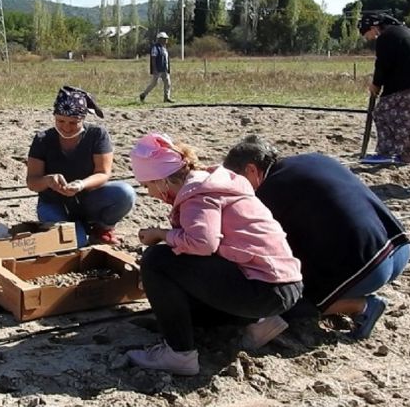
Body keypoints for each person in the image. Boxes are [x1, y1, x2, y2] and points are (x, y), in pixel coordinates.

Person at [126, 133, 303, 375]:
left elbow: (202, 243)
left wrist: (161, 235)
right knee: (182, 270)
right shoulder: (216, 182)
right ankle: (258, 323)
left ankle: (179, 354)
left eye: (148, 186)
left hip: (263, 289)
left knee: (157, 260)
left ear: (162, 181)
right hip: (282, 282)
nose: (150, 194)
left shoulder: (197, 194)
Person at [224, 135, 410, 340]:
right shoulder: (314, 159)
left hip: (368, 268)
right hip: (399, 246)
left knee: (289, 300)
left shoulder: (268, 192)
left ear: (251, 170)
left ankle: (363, 305)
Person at [26, 86, 135, 247]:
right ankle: (77, 229)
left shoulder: (97, 135)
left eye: (73, 122)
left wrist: (81, 184)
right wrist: (48, 181)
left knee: (125, 193)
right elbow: (32, 182)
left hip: (88, 198)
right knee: (77, 243)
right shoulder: (43, 139)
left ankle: (102, 228)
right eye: (60, 121)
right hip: (54, 202)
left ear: (83, 119)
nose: (66, 127)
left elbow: (103, 173)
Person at [358, 13, 410, 164]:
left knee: (383, 113)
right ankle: (407, 154)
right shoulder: (406, 31)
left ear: (373, 28)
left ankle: (386, 152)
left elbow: (383, 64)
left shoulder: (386, 37)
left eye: (367, 33)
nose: (369, 38)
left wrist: (376, 83)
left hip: (407, 83)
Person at [139, 32, 173, 103]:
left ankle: (167, 98)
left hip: (164, 69)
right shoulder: (155, 47)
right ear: (160, 39)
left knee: (168, 83)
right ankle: (143, 94)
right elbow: (153, 58)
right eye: (164, 39)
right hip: (158, 69)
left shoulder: (164, 48)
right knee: (154, 83)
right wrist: (154, 69)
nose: (166, 40)